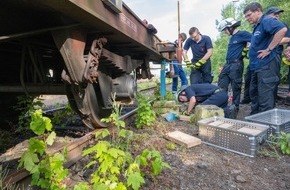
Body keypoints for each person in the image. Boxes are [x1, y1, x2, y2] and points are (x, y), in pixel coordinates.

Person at [243, 2, 287, 115]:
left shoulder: (266, 20)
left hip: (267, 66)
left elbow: (282, 30)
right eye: (246, 16)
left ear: (258, 11)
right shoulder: (257, 26)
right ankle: (255, 122)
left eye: (249, 15)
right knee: (255, 95)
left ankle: (266, 128)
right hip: (256, 67)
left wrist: (269, 49)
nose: (247, 18)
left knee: (265, 98)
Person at [216, 18, 251, 112]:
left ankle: (234, 109)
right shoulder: (232, 38)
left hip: (237, 64)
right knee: (221, 85)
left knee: (236, 87)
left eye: (225, 30)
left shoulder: (243, 34)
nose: (224, 32)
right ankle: (222, 106)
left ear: (230, 27)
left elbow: (255, 39)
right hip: (227, 64)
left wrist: (247, 49)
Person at [264, 7, 290, 103]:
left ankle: (272, 100)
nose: (277, 15)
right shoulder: (264, 25)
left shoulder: (282, 25)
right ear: (267, 15)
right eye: (274, 14)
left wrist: (274, 42)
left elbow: (288, 38)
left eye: (278, 14)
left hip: (275, 54)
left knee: (273, 78)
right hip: (263, 56)